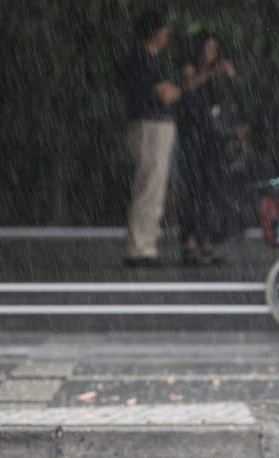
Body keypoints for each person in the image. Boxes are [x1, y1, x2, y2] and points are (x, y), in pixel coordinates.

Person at [121, 11, 182, 268]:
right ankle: (140, 249)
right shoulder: (143, 59)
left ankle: (144, 246)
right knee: (149, 188)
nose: (167, 34)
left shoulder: (146, 59)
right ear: (155, 33)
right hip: (151, 127)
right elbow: (165, 94)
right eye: (164, 30)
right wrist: (183, 88)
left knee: (152, 188)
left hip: (152, 126)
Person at [176, 31, 238, 265]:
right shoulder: (190, 67)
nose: (212, 54)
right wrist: (214, 70)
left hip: (212, 137)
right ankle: (189, 242)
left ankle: (206, 239)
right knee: (193, 188)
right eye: (208, 48)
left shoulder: (214, 73)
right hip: (193, 134)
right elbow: (189, 86)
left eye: (215, 49)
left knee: (211, 188)